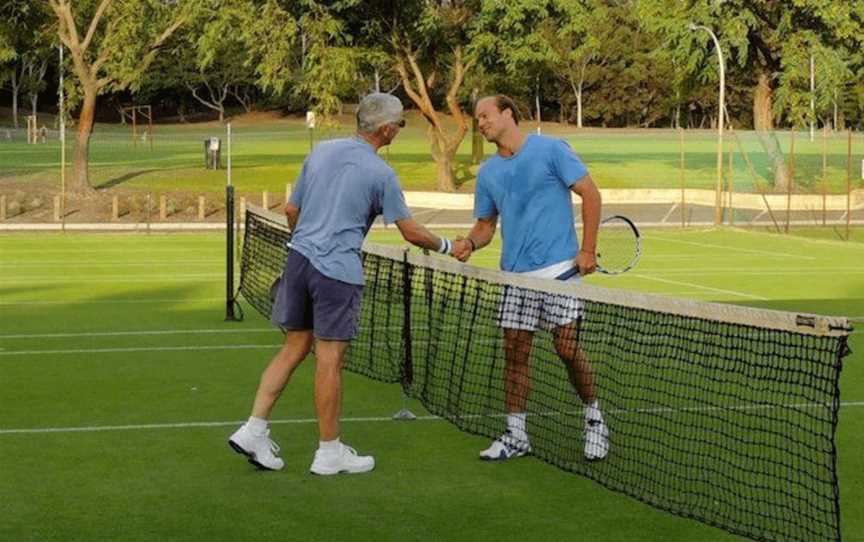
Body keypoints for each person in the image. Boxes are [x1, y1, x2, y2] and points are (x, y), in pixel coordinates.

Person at [229, 93, 469, 475]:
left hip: (299, 261)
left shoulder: (322, 151)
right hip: (336, 273)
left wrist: (307, 244)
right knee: (329, 361)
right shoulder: (381, 173)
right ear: (386, 128)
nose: (399, 132)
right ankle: (329, 452)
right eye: (399, 126)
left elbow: (293, 210)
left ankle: (254, 427)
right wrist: (448, 245)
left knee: (293, 347)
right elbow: (409, 231)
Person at [452, 95, 609, 461]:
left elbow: (590, 194)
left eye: (486, 116)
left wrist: (588, 249)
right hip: (516, 278)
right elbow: (486, 226)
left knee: (567, 349)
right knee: (515, 353)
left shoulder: (551, 150)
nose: (482, 123)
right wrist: (470, 243)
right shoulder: (489, 173)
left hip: (559, 271)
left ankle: (595, 421)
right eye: (477, 119)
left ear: (508, 114)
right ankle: (516, 434)